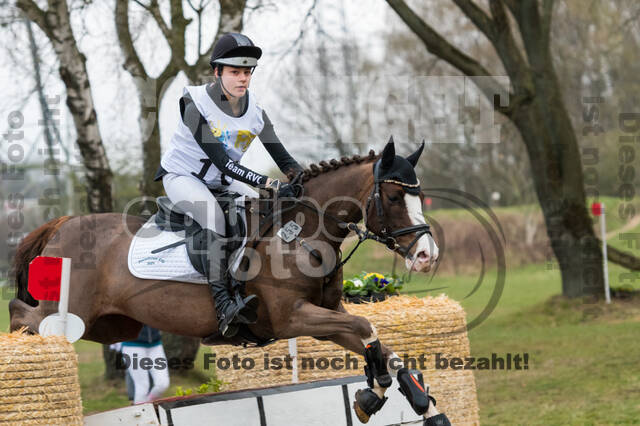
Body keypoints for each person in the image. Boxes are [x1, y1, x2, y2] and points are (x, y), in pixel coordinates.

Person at [154, 33, 303, 338]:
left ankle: (251, 289)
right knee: (216, 220)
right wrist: (270, 183)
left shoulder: (256, 112)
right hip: (184, 177)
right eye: (235, 72)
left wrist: (304, 180)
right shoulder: (192, 103)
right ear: (217, 71)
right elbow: (223, 161)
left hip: (222, 181)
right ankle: (224, 305)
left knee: (260, 216)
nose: (242, 79)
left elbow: (284, 158)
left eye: (247, 72)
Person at [120, 325, 170, 404]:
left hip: (155, 344)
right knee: (143, 387)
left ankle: (147, 405)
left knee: (162, 384)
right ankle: (141, 411)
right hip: (132, 345)